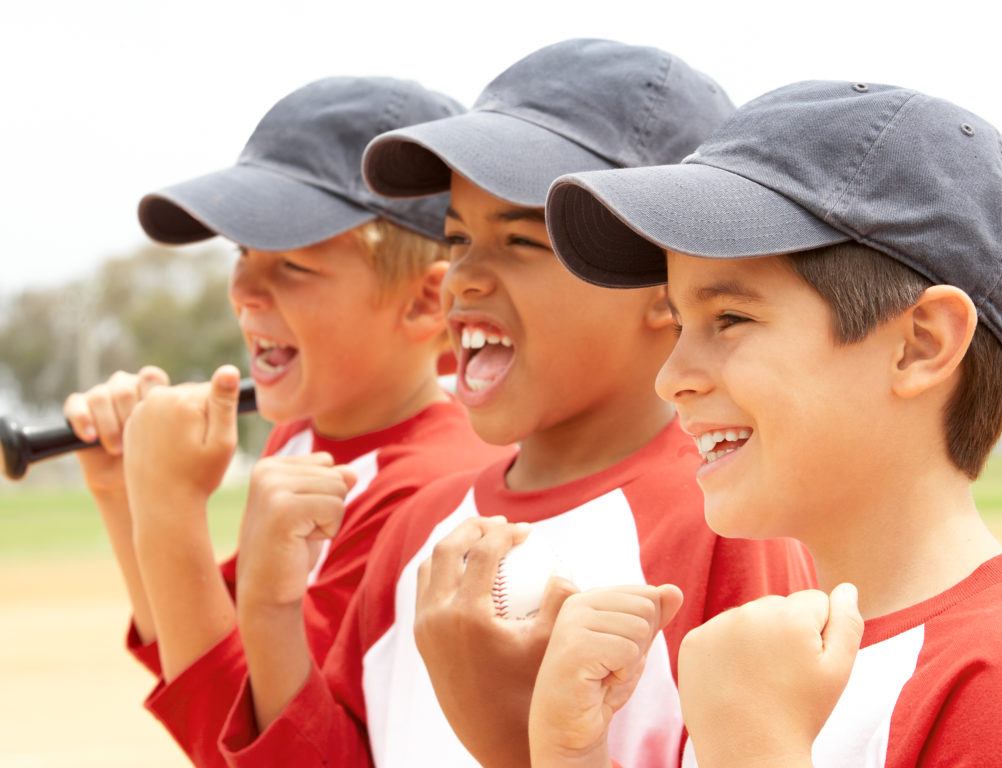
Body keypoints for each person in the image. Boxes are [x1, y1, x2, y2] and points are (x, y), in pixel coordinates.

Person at [216, 39, 816, 768]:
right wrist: (272, 616)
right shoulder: (419, 531)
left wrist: (511, 735)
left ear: (664, 288)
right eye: (458, 237)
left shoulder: (729, 528)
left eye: (523, 241)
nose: (461, 277)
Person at [532, 79, 1002, 766]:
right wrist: (572, 755)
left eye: (730, 318)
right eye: (678, 321)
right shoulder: (764, 665)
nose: (672, 377)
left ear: (921, 345)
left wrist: (753, 749)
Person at [63, 76, 511, 768]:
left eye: (294, 266)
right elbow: (203, 661)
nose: (242, 291)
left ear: (427, 304)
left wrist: (170, 512)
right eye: (243, 254)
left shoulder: (429, 490)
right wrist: (125, 493)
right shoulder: (309, 433)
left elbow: (235, 737)